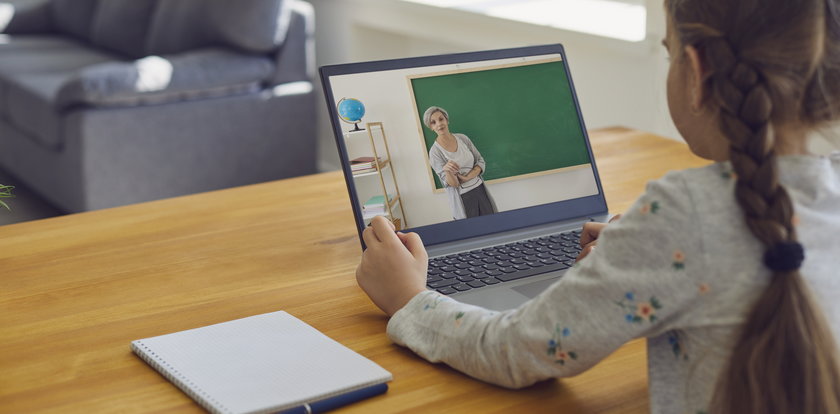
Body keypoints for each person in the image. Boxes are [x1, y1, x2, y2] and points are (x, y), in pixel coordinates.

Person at [355, 0, 840, 412]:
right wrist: (640, 250)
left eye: (668, 54)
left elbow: (514, 350)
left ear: (697, 73)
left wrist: (409, 299)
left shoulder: (682, 213)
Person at [425, 106, 497, 219]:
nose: (439, 124)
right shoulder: (434, 152)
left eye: (441, 119)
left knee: (493, 225)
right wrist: (447, 170)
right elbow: (452, 184)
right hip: (463, 199)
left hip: (481, 191)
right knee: (473, 233)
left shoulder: (463, 138)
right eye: (433, 122)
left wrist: (469, 176)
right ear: (431, 127)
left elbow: (480, 161)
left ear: (447, 120)